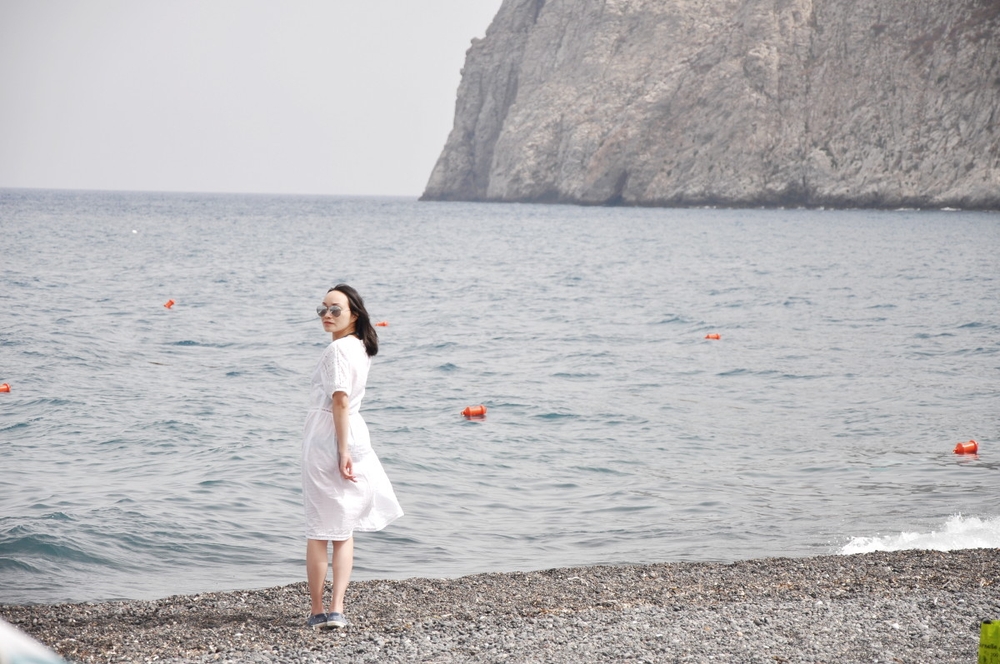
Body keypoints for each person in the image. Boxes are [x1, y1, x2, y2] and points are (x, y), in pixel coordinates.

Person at [301, 284, 403, 630]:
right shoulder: (361, 347)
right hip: (354, 431)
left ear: (354, 314)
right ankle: (338, 609)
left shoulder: (338, 351)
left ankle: (318, 611)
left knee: (319, 531)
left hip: (330, 437)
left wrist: (341, 450)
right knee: (342, 530)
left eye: (335, 310)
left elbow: (339, 400)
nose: (326, 315)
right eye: (323, 310)